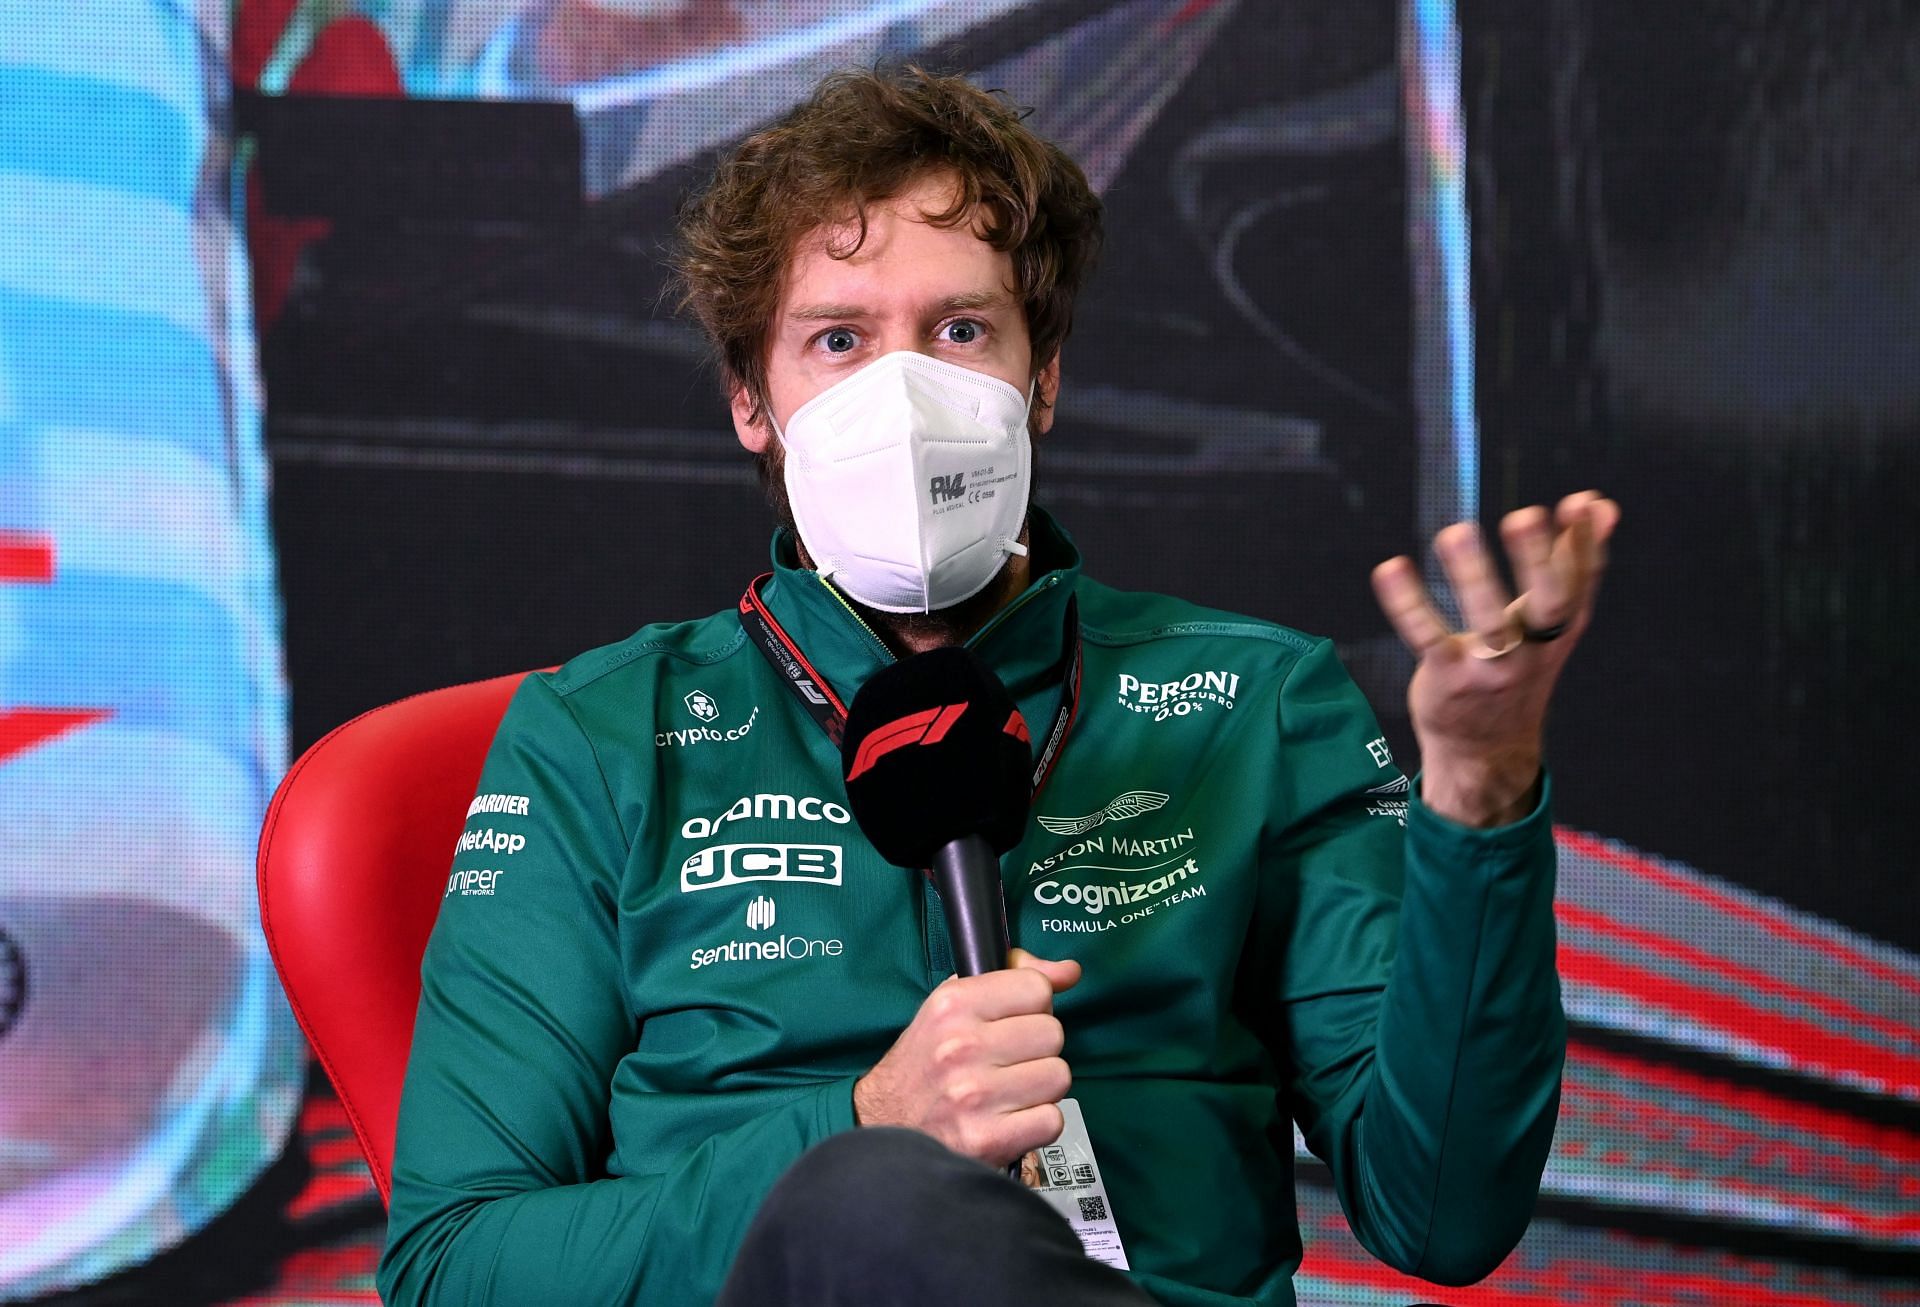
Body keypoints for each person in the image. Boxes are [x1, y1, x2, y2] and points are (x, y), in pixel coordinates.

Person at [376, 66, 1620, 1307]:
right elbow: (452, 1266)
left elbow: (1446, 1213)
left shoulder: (1257, 701)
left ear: (1043, 377)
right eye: (839, 340)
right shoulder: (600, 737)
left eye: (959, 331)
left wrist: (1478, 800)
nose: (904, 398)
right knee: (870, 1200)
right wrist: (864, 1126)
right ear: (752, 402)